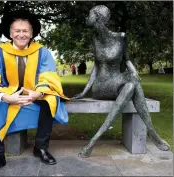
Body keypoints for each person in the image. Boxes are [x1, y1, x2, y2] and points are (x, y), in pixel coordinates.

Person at [0, 10, 69, 177]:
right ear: (10, 33)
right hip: (6, 97)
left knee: (50, 98)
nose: (21, 34)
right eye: (17, 31)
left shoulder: (42, 52)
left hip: (33, 97)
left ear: (31, 33)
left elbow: (48, 77)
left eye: (25, 30)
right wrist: (6, 97)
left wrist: (37, 94)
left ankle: (41, 148)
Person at [73, 5, 170, 158]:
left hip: (117, 82)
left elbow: (127, 60)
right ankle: (153, 134)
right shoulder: (94, 38)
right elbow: (97, 67)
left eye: (90, 14)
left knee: (132, 84)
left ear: (98, 17)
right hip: (101, 86)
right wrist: (85, 91)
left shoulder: (121, 38)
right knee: (132, 82)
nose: (87, 16)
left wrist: (135, 72)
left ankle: (93, 141)